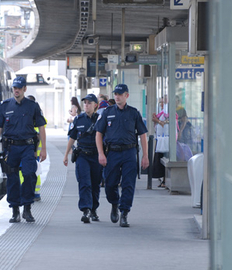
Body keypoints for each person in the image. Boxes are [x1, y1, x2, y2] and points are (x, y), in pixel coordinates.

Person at [0, 77, 47, 223]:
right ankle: (15, 210)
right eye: (14, 88)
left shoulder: (33, 106)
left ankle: (27, 208)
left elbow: (41, 127)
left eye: (19, 88)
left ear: (24, 89)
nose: (16, 90)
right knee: (12, 179)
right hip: (10, 148)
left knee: (29, 174)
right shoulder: (4, 106)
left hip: (28, 147)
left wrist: (43, 149)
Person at [95, 84, 149, 227]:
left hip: (129, 152)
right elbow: (98, 133)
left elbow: (143, 135)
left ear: (127, 96)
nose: (117, 96)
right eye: (115, 94)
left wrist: (146, 156)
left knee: (128, 184)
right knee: (110, 183)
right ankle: (114, 203)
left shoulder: (134, 113)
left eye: (120, 94)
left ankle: (124, 212)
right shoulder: (107, 112)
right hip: (112, 152)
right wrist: (101, 153)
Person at [63, 94, 101, 223]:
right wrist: (66, 154)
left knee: (95, 184)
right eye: (85, 103)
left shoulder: (101, 120)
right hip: (82, 155)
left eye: (89, 103)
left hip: (96, 156)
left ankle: (94, 209)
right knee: (84, 183)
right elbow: (72, 138)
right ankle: (86, 210)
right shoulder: (78, 119)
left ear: (95, 105)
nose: (86, 105)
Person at [19, 95, 46, 201]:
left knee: (27, 172)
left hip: (32, 151)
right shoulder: (37, 115)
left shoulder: (31, 116)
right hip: (32, 151)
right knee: (34, 172)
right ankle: (34, 193)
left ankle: (28, 193)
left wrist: (36, 150)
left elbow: (38, 136)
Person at [151, 96, 168, 188]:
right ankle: (163, 179)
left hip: (166, 140)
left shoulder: (168, 112)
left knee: (164, 158)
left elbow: (164, 123)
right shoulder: (162, 112)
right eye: (160, 102)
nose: (161, 104)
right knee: (160, 160)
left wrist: (156, 120)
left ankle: (165, 180)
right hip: (160, 139)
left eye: (163, 102)